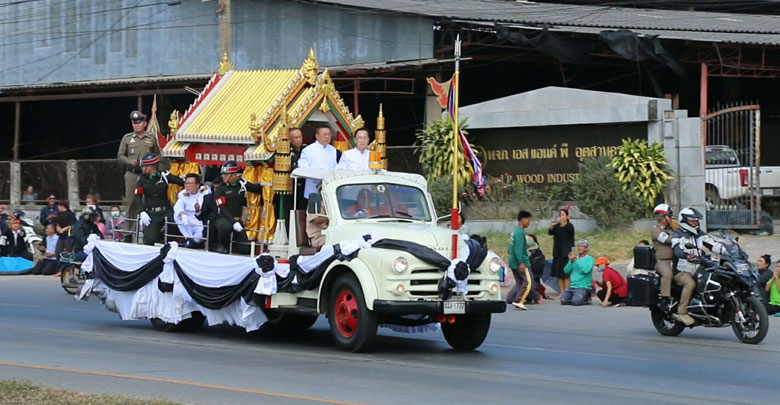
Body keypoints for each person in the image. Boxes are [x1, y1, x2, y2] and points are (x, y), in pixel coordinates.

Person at [118, 110, 161, 232]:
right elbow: (120, 155)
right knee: (131, 202)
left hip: (147, 175)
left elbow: (158, 156)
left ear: (145, 123)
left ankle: (145, 231)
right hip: (132, 173)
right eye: (134, 122)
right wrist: (129, 161)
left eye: (139, 122)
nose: (136, 125)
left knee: (147, 201)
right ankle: (128, 231)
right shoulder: (127, 138)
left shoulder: (151, 139)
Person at [670, 207, 711, 326]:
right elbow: (677, 250)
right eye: (692, 221)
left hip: (697, 268)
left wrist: (726, 250)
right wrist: (686, 255)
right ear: (684, 221)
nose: (695, 223)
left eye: (696, 221)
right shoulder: (677, 234)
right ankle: (682, 312)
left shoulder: (699, 234)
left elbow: (712, 243)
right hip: (681, 270)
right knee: (690, 284)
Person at [213, 161, 263, 254]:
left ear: (234, 175)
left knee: (244, 249)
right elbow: (222, 208)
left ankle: (236, 247)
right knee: (225, 227)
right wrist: (234, 222)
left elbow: (258, 190)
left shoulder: (241, 186)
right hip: (224, 218)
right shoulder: (220, 189)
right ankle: (222, 246)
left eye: (226, 174)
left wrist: (247, 184)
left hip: (239, 219)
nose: (223, 176)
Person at [134, 153, 184, 246]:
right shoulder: (141, 179)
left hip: (166, 211)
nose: (142, 168)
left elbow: (181, 182)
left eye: (143, 166)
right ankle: (158, 235)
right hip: (152, 213)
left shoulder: (164, 175)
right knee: (150, 239)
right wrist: (142, 211)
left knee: (177, 228)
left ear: (150, 167)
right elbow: (137, 196)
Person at [507, 210, 538, 310]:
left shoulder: (515, 231)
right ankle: (519, 300)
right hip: (521, 261)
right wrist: (521, 262)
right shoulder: (520, 233)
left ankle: (518, 299)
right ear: (523, 220)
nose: (529, 222)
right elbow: (518, 249)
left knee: (520, 282)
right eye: (528, 220)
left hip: (512, 261)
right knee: (529, 282)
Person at [297, 125, 338, 200]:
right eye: (324, 134)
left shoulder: (333, 150)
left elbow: (336, 166)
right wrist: (318, 172)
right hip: (313, 185)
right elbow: (302, 166)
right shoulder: (308, 150)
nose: (327, 137)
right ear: (317, 136)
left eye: (329, 134)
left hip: (329, 186)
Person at [174, 173, 211, 247]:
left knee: (198, 239)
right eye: (186, 183)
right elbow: (177, 206)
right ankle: (189, 239)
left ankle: (193, 242)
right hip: (189, 221)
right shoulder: (183, 194)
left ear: (197, 185)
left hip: (201, 222)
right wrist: (183, 214)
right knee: (176, 215)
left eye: (190, 184)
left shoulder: (205, 191)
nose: (188, 186)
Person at [651, 204, 676, 307]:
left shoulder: (671, 229)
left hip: (675, 260)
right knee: (667, 274)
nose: (671, 219)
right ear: (663, 217)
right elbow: (668, 239)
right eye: (669, 216)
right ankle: (664, 299)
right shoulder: (656, 230)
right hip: (662, 261)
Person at [549, 208, 575, 297]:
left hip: (566, 252)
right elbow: (550, 232)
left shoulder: (570, 226)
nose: (561, 217)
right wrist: (552, 225)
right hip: (557, 252)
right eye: (560, 215)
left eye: (563, 215)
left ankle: (567, 291)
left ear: (567, 217)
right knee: (559, 273)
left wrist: (564, 225)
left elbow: (571, 233)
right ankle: (562, 291)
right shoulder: (557, 226)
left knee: (566, 274)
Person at [561, 239, 594, 306]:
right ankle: (576, 297)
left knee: (576, 302)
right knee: (563, 301)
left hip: (583, 286)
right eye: (578, 246)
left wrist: (576, 260)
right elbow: (566, 271)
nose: (579, 248)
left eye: (582, 246)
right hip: (572, 286)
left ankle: (586, 297)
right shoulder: (574, 259)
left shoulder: (590, 259)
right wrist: (570, 261)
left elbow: (586, 270)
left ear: (586, 248)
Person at [289, 127, 308, 209]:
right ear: (290, 139)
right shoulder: (288, 151)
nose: (298, 140)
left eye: (300, 137)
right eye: (296, 138)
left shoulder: (307, 149)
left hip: (306, 184)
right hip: (293, 185)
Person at [527, 234, 547, 301]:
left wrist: (530, 262)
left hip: (534, 279)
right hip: (525, 279)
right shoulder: (526, 254)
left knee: (528, 287)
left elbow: (538, 270)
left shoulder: (539, 256)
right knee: (511, 298)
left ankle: (537, 296)